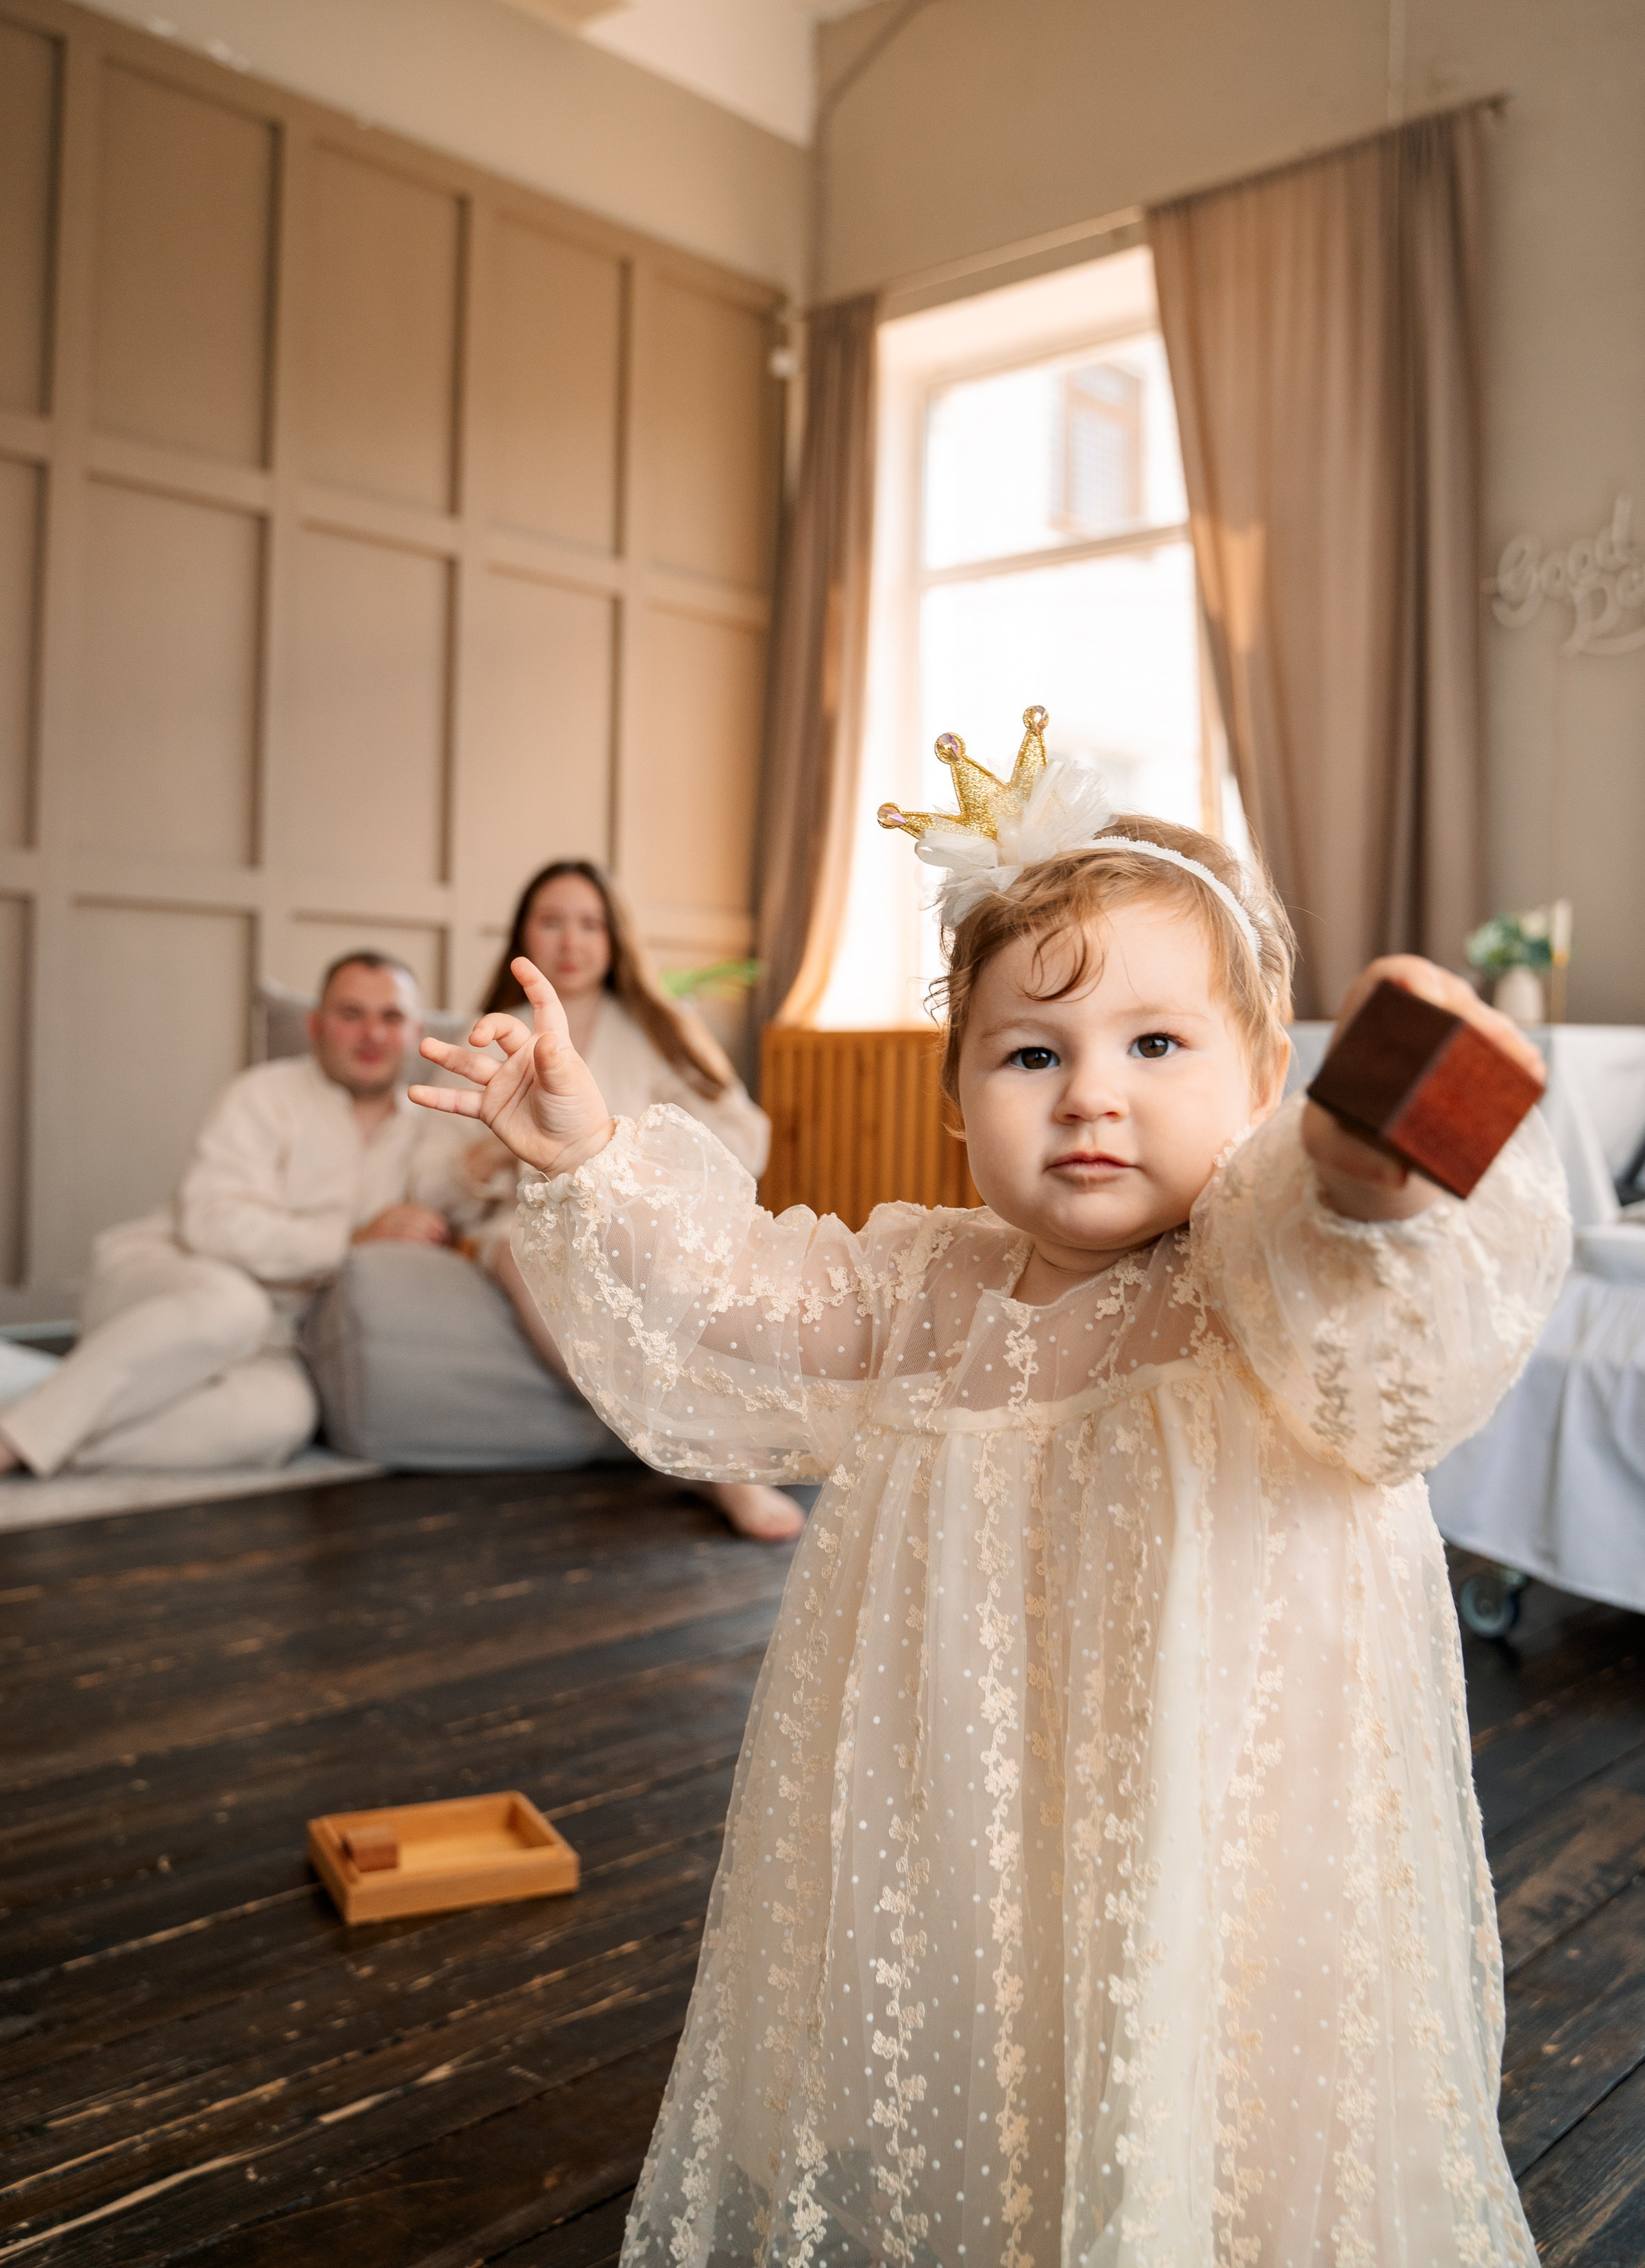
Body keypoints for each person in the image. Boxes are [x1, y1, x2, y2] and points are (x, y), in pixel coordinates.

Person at [411, 718, 1570, 2263]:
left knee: (1209, 2095)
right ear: (959, 1099)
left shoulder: (1247, 1266)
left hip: (1210, 1816)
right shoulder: (930, 1283)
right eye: (1033, 1054)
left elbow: (1372, 1331)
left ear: (1263, 1082)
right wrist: (591, 1155)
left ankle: (1391, 1129)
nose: (1089, 1096)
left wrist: (1357, 1178)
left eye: (1155, 1048)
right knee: (1005, 2070)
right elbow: (738, 1292)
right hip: (975, 1805)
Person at [0, 953, 464, 1477]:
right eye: (351, 1014)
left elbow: (463, 1194)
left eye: (392, 1017)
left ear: (416, 1032)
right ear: (316, 1025)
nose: (373, 1034)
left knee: (282, 1418)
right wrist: (353, 1239)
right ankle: (17, 1439)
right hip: (167, 1285)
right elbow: (213, 1225)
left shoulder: (432, 1129)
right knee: (232, 1307)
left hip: (279, 1336)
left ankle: (48, 1434)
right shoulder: (261, 1094)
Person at [459, 858, 801, 1544]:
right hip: (518, 1219)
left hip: (632, 1210)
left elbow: (741, 1133)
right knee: (535, 1254)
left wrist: (624, 1154)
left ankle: (717, 1437)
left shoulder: (660, 1027)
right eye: (551, 922)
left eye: (590, 924)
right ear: (523, 934)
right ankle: (716, 1465)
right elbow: (440, 1170)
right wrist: (498, 1151)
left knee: (647, 1255)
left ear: (615, 937)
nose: (571, 941)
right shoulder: (492, 1031)